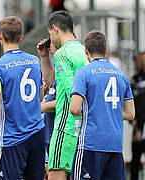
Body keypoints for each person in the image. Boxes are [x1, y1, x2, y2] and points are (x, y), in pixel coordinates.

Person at [0, 16, 53, 179]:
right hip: (37, 134)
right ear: (21, 37)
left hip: (12, 138)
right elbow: (39, 96)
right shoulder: (34, 61)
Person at [70, 30, 135, 180]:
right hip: (115, 146)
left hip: (90, 144)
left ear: (86, 50)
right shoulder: (121, 75)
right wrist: (107, 111)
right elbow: (131, 113)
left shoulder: (83, 73)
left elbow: (74, 109)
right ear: (106, 50)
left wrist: (96, 110)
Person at [37, 10, 89, 180]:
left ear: (54, 29)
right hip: (83, 128)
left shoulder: (61, 54)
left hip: (65, 126)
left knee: (55, 175)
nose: (50, 38)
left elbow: (70, 93)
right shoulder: (83, 51)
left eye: (50, 34)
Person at [130, 52, 145, 180]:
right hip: (139, 126)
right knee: (136, 158)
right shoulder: (135, 79)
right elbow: (131, 104)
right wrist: (135, 124)